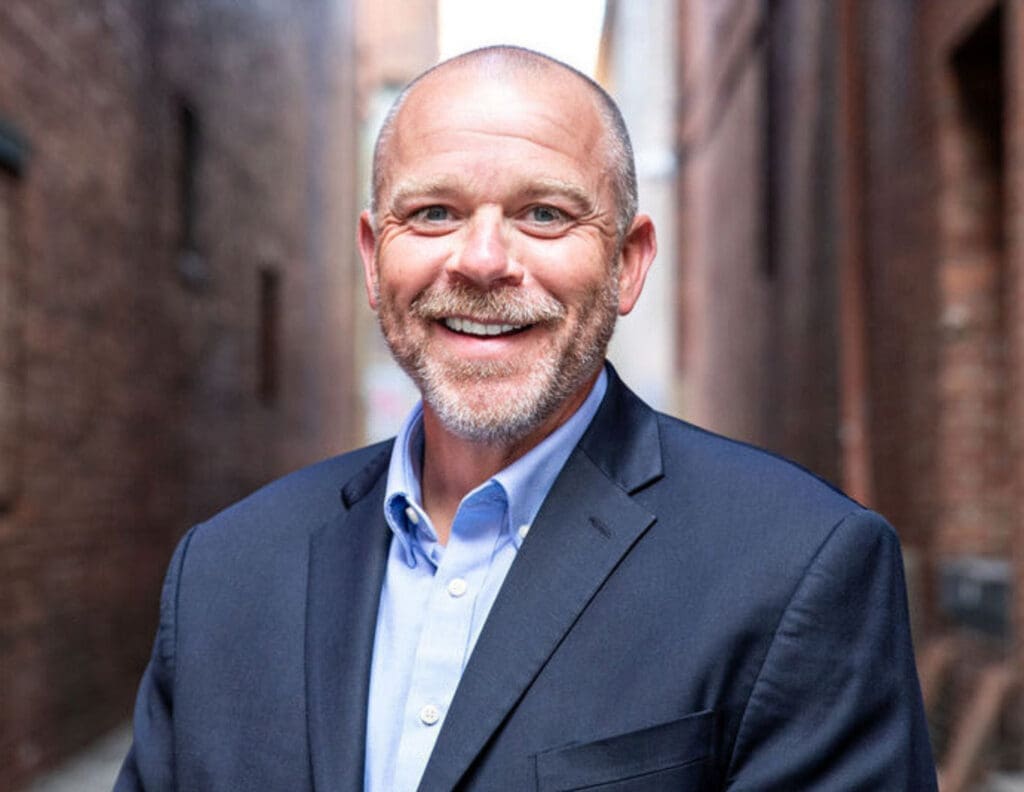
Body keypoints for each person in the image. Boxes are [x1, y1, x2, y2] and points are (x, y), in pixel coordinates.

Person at [116, 46, 937, 791]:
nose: (480, 261)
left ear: (627, 262)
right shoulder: (222, 572)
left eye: (544, 213)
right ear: (373, 258)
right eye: (433, 212)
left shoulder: (801, 566)